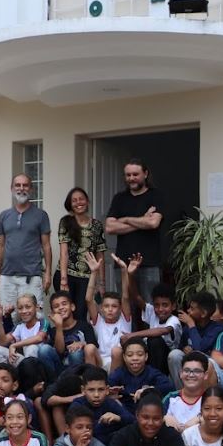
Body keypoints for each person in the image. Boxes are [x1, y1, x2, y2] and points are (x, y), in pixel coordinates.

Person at [106, 158, 167, 301]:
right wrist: (142, 219)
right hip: (123, 263)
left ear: (145, 174)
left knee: (150, 306)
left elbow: (153, 223)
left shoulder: (156, 195)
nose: (131, 178)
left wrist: (125, 219)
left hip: (149, 263)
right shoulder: (119, 198)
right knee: (126, 306)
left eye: (135, 174)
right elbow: (109, 227)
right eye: (128, 175)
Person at [0, 173, 52, 316]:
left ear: (31, 189)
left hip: (31, 276)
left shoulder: (41, 215)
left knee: (34, 316)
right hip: (7, 276)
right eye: (18, 185)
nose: (21, 188)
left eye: (25, 185)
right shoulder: (4, 215)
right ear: (12, 188)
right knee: (8, 317)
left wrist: (48, 274)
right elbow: (1, 245)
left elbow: (46, 245)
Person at [121, 256, 183, 374]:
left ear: (173, 306)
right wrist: (130, 275)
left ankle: (156, 377)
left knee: (155, 340)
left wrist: (132, 335)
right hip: (152, 356)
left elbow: (161, 331)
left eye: (165, 305)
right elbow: (136, 297)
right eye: (157, 305)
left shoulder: (174, 320)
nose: (160, 309)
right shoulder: (152, 312)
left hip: (167, 361)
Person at [57, 186, 107, 324]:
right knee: (66, 313)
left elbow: (100, 254)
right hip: (66, 275)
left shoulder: (97, 225)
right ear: (70, 204)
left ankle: (80, 338)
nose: (78, 203)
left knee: (81, 313)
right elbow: (64, 252)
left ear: (87, 201)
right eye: (74, 200)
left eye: (81, 199)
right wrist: (63, 280)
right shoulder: (66, 222)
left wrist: (101, 283)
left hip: (87, 278)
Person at [87, 253, 133, 371]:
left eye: (114, 306)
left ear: (120, 309)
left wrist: (124, 270)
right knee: (89, 348)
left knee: (116, 351)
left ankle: (113, 382)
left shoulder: (124, 320)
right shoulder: (99, 321)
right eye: (106, 306)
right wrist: (94, 272)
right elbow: (89, 299)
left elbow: (125, 296)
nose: (110, 309)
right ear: (101, 308)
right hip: (100, 362)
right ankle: (91, 379)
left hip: (119, 362)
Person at [37, 290, 98, 378]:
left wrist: (82, 343)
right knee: (43, 349)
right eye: (56, 306)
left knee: (75, 353)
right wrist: (59, 326)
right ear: (53, 313)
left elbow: (93, 345)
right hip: (60, 368)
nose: (61, 308)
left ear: (72, 307)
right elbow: (60, 351)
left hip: (80, 366)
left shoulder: (84, 326)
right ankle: (54, 381)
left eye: (64, 304)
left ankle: (76, 381)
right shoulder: (54, 330)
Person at [170, 290, 223, 387]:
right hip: (189, 365)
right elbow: (180, 347)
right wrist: (184, 348)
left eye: (192, 308)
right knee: (175, 355)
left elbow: (200, 349)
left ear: (203, 313)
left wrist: (191, 324)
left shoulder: (217, 328)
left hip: (207, 368)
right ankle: (181, 391)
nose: (188, 311)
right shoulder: (188, 327)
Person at [71, 366, 134, 445]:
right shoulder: (77, 405)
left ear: (107, 390)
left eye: (101, 389)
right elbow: (82, 432)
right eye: (91, 390)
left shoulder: (109, 402)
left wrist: (118, 418)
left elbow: (133, 420)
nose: (96, 395)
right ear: (83, 390)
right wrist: (102, 423)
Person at [109, 338, 173, 411]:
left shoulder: (153, 373)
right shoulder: (119, 373)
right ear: (124, 357)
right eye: (130, 355)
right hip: (123, 412)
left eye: (140, 355)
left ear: (146, 356)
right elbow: (107, 387)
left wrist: (149, 390)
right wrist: (110, 394)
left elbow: (169, 387)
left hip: (148, 413)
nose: (135, 358)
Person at [163, 352, 211, 432]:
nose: (191, 375)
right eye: (186, 370)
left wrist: (200, 419)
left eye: (197, 371)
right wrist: (164, 418)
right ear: (181, 374)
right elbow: (154, 418)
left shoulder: (212, 399)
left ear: (205, 375)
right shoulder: (170, 398)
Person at [8, 294, 47, 364]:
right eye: (20, 308)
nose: (24, 311)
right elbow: (3, 342)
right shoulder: (19, 326)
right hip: (24, 360)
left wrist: (14, 345)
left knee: (32, 348)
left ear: (36, 307)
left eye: (28, 307)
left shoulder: (43, 322)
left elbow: (39, 338)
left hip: (40, 363)